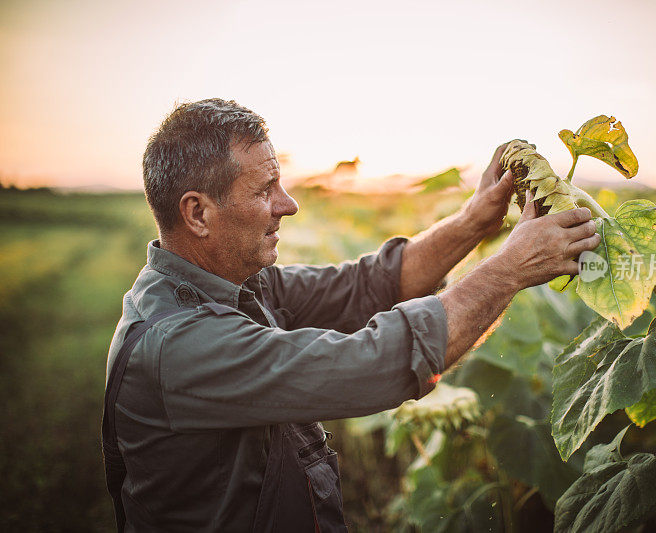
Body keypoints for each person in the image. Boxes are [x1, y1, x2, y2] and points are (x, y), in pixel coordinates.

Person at [103, 98, 600, 532]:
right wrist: (510, 269)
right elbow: (375, 363)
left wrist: (474, 221)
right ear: (197, 213)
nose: (288, 204)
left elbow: (370, 284)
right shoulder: (180, 344)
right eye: (264, 190)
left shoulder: (236, 286)